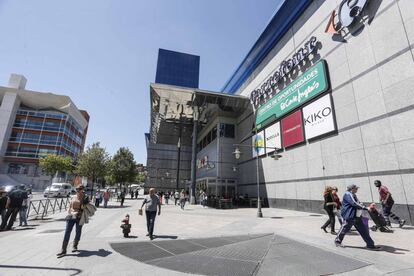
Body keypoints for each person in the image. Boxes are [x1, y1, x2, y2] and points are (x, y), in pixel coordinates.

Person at [335, 184, 381, 250]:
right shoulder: (348, 194)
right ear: (352, 189)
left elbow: (358, 203)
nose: (357, 189)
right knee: (344, 228)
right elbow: (354, 203)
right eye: (356, 188)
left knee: (364, 231)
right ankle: (337, 241)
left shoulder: (354, 195)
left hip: (357, 216)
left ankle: (370, 245)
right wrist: (366, 208)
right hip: (350, 215)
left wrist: (365, 206)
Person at [57, 185, 91, 257]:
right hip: (71, 216)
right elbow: (70, 206)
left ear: (82, 190)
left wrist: (84, 205)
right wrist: (69, 212)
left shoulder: (85, 197)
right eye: (77, 189)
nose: (78, 190)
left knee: (78, 231)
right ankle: (63, 250)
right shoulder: (74, 196)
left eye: (79, 189)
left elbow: (87, 207)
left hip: (79, 217)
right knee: (67, 232)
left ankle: (75, 245)